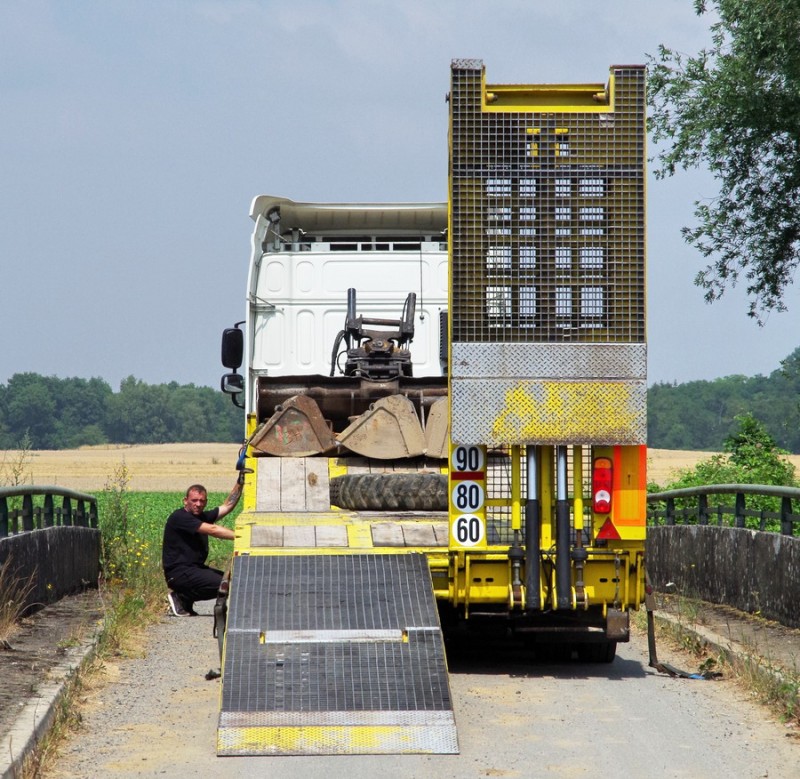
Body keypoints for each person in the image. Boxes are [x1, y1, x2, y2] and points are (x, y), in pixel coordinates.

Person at [162, 478, 242, 617]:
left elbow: (227, 506)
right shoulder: (180, 517)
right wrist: (241, 536)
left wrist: (241, 481)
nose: (198, 504)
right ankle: (181, 597)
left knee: (232, 581)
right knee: (224, 584)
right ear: (185, 500)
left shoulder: (201, 516)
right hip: (179, 573)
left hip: (194, 570)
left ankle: (184, 599)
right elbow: (212, 529)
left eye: (202, 501)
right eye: (194, 500)